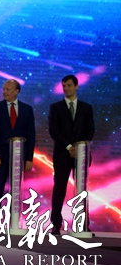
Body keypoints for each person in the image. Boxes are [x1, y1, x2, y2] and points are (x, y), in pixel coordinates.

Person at [48, 74, 95, 236]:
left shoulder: (86, 108)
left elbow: (90, 130)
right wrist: (69, 147)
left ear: (76, 87)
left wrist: (79, 147)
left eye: (69, 85)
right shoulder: (56, 107)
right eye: (64, 86)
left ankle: (83, 224)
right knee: (59, 189)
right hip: (62, 154)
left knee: (82, 189)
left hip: (82, 155)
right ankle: (56, 225)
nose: (66, 88)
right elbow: (53, 131)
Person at [0, 79, 36, 223]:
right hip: (1, 155)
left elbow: (31, 135)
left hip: (19, 155)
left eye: (8, 89)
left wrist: (29, 158)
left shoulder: (27, 109)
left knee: (16, 188)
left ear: (17, 91)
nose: (5, 92)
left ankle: (13, 221)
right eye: (3, 89)